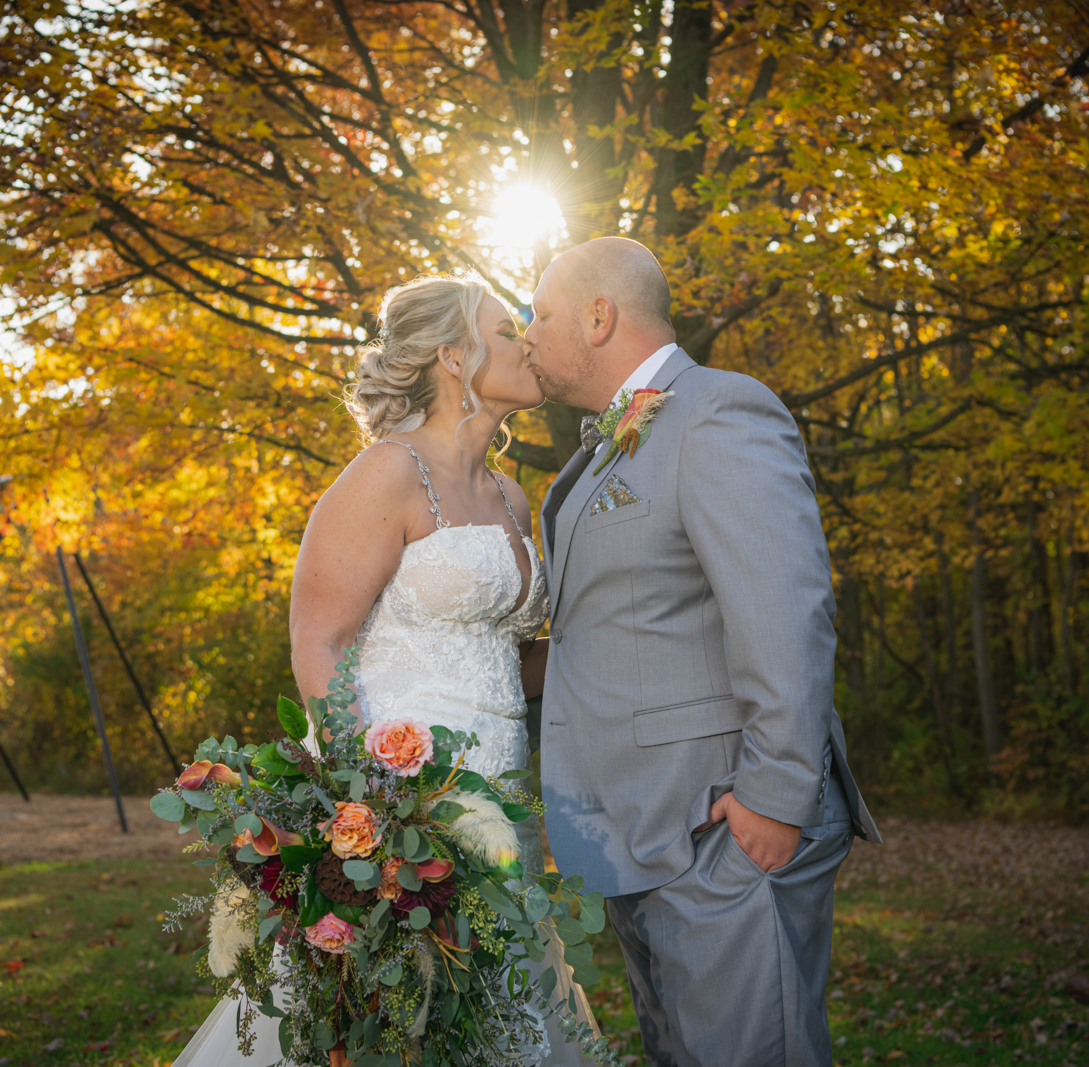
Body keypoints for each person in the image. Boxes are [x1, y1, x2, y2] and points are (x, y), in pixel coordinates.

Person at [172, 272, 597, 1067]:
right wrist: (360, 812)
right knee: (387, 1023)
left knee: (501, 1006)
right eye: (508, 329)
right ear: (452, 355)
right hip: (404, 808)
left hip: (503, 806)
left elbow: (504, 660)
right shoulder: (388, 473)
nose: (529, 340)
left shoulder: (509, 491)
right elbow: (318, 641)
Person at [529, 237, 882, 1067]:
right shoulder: (601, 448)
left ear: (599, 315)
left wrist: (775, 793)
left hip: (723, 825)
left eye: (539, 315)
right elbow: (615, 627)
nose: (527, 333)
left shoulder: (719, 410)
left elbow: (784, 607)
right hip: (644, 833)